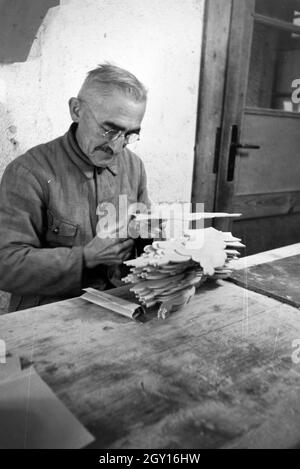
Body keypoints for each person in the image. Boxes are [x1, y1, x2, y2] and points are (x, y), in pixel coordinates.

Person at [0, 63, 151, 312]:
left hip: (120, 304)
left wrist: (158, 239)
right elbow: (6, 266)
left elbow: (145, 234)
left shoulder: (134, 166)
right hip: (50, 312)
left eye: (130, 134)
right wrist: (84, 257)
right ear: (76, 110)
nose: (117, 146)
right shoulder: (28, 173)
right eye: (109, 130)